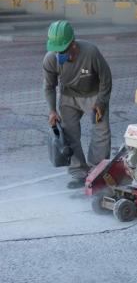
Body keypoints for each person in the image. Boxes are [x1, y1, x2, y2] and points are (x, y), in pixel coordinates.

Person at [43, 20, 112, 188]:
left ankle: (98, 171)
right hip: (68, 98)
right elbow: (49, 86)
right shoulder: (51, 59)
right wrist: (52, 110)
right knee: (69, 134)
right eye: (56, 50)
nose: (60, 54)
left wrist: (101, 103)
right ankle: (79, 173)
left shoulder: (90, 52)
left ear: (73, 44)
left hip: (94, 96)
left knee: (101, 131)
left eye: (63, 50)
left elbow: (106, 78)